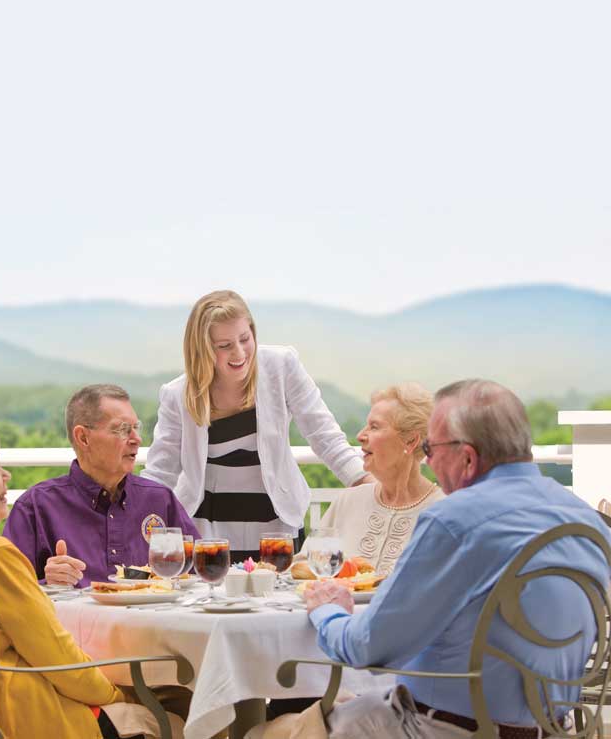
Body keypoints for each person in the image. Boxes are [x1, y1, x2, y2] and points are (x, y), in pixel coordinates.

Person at [250, 379, 611, 739]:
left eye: (431, 448)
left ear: (467, 458)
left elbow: (367, 648)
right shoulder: (587, 522)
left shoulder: (453, 520)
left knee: (265, 731)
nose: (430, 460)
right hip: (556, 730)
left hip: (434, 730)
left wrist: (326, 611)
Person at [0, 415, 179, 739]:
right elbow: (59, 659)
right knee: (176, 712)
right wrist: (121, 697)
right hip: (11, 721)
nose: (6, 477)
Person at [142, 290, 368, 562]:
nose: (239, 353)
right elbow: (160, 472)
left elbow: (324, 436)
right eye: (224, 345)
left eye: (245, 339)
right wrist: (132, 515)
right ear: (201, 349)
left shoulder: (282, 366)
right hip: (209, 531)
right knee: (213, 601)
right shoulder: (177, 394)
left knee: (279, 600)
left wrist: (367, 484)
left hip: (276, 526)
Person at [4, 384, 199, 587]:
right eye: (123, 429)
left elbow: (197, 577)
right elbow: (8, 592)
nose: (137, 439)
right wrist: (47, 583)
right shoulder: (35, 507)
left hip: (154, 618)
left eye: (136, 428)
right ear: (83, 438)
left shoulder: (159, 500)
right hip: (71, 619)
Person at [296, 382, 443, 576]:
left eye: (374, 427)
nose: (360, 436)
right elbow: (302, 569)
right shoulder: (348, 501)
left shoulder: (442, 511)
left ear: (411, 441)